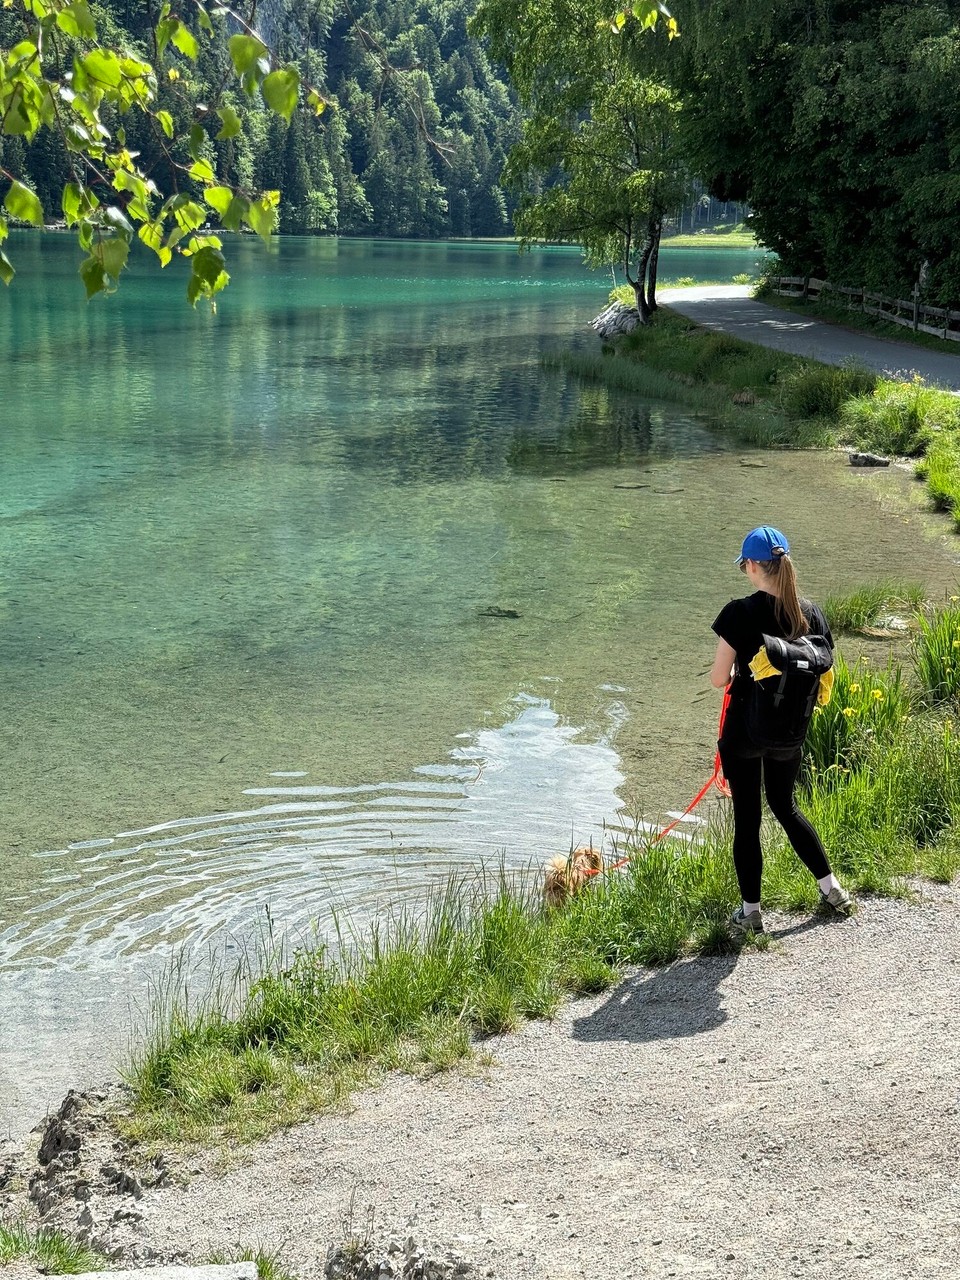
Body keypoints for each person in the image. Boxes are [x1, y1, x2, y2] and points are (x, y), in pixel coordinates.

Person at [709, 525, 852, 934]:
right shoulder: (814, 614)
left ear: (753, 566)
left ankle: (751, 914)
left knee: (748, 819)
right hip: (790, 733)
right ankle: (832, 890)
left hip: (744, 735)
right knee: (785, 807)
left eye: (744, 566)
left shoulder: (738, 613)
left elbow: (719, 679)